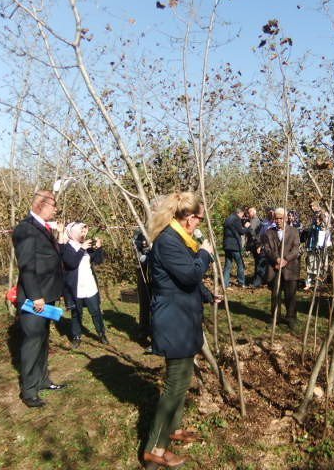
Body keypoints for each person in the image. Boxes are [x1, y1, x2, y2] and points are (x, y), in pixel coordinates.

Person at [143, 191, 218, 469]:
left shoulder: (180, 239)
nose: (199, 223)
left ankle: (172, 430)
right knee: (174, 384)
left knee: (183, 378)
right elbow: (189, 273)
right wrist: (206, 255)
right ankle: (154, 449)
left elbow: (187, 279)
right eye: (198, 218)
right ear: (187, 218)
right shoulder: (168, 241)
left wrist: (208, 295)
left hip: (184, 317)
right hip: (173, 319)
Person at [12, 190, 66, 408]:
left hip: (48, 295)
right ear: (41, 205)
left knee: (43, 340)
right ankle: (29, 390)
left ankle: (42, 380)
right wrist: (36, 296)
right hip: (35, 298)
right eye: (53, 206)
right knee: (32, 341)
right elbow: (26, 266)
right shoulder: (25, 229)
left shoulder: (44, 228)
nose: (56, 210)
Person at [62, 222, 108, 349]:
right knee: (76, 313)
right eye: (81, 232)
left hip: (89, 285)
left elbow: (98, 261)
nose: (83, 234)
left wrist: (98, 248)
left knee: (96, 311)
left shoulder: (86, 247)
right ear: (73, 233)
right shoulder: (67, 247)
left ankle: (101, 333)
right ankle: (76, 337)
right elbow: (71, 263)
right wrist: (82, 248)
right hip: (75, 287)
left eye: (84, 232)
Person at [262, 207, 301, 330]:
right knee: (275, 295)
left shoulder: (294, 231)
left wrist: (285, 260)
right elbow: (267, 249)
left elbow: (296, 249)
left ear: (286, 218)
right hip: (275, 268)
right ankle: (275, 318)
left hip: (290, 268)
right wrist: (277, 259)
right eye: (276, 218)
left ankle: (291, 318)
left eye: (281, 218)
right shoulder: (269, 232)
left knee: (291, 296)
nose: (278, 221)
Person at [222, 207, 250, 288]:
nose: (242, 216)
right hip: (234, 245)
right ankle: (241, 282)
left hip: (227, 245)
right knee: (240, 264)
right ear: (240, 213)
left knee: (228, 264)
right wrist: (247, 227)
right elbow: (241, 231)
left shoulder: (228, 218)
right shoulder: (236, 219)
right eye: (242, 214)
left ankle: (225, 283)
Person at [304, 212, 331, 290]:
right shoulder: (312, 227)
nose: (317, 220)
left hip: (321, 250)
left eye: (319, 218)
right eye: (316, 218)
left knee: (320, 267)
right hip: (312, 249)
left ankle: (318, 284)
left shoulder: (325, 227)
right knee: (311, 266)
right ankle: (308, 283)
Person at [244, 206, 265, 288]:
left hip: (257, 245)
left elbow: (253, 233)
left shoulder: (255, 220)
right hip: (255, 244)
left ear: (253, 212)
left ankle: (257, 282)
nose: (248, 214)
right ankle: (256, 280)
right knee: (257, 263)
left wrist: (248, 227)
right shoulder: (253, 220)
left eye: (249, 212)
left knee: (259, 263)